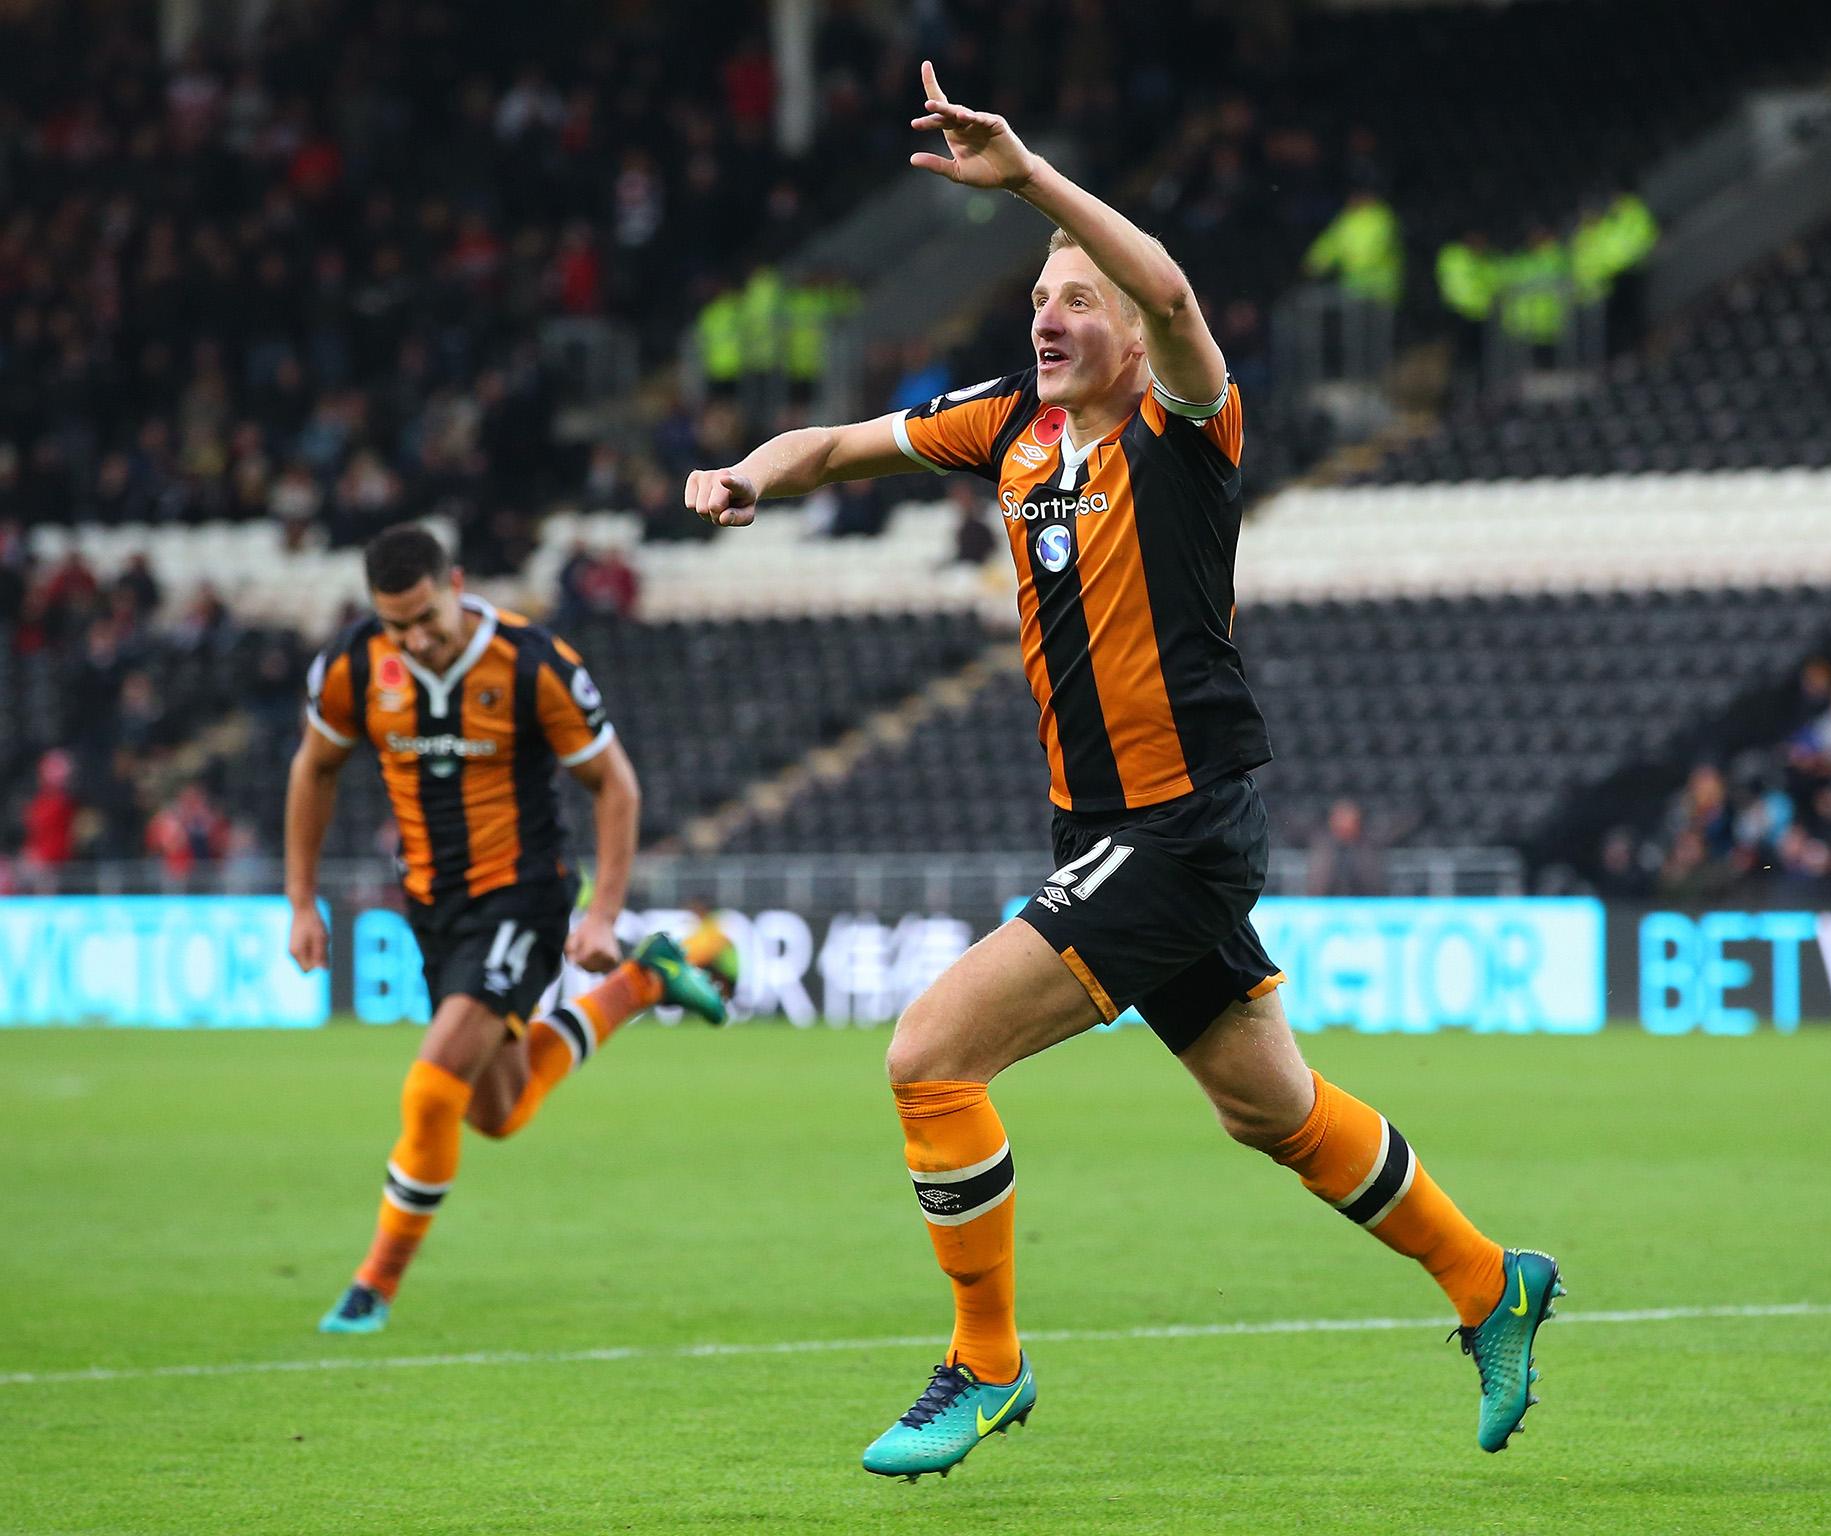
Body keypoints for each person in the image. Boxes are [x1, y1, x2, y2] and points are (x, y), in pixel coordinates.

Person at [685, 62, 1561, 1481]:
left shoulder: (1183, 428)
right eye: (1040, 293)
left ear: (1133, 330)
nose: (1052, 310)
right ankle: (1488, 1281)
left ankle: (986, 1363)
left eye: (1077, 295)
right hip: (1113, 834)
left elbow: (1176, 299)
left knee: (927, 1061)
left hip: (1178, 830)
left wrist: (1032, 177)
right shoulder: (1014, 434)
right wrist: (745, 474)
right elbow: (841, 444)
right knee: (1268, 1109)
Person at [284, 524, 728, 1336]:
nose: (415, 640)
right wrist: (300, 898)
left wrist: (601, 913)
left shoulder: (532, 663)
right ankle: (646, 980)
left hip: (523, 896)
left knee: (429, 1086)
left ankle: (374, 1282)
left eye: (426, 617)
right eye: (397, 625)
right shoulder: (354, 665)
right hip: (434, 908)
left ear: (456, 583)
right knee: (496, 1109)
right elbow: (315, 766)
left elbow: (614, 785)